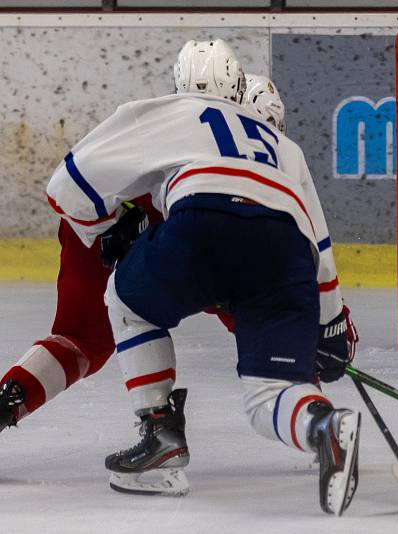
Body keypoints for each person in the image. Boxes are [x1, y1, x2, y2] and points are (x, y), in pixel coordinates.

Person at [42, 39, 360, 516]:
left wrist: (111, 229)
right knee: (269, 394)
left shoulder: (169, 111)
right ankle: (324, 426)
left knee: (126, 302)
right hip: (285, 248)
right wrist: (330, 326)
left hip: (204, 220)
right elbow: (319, 248)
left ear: (178, 84)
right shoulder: (283, 146)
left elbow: (65, 187)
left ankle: (159, 434)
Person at [0, 71, 296, 433]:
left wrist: (109, 222)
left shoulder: (173, 116)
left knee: (80, 340)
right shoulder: (252, 159)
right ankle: (159, 426)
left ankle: (7, 401)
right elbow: (246, 291)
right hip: (168, 229)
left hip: (94, 219)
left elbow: (77, 182)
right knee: (216, 299)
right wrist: (302, 338)